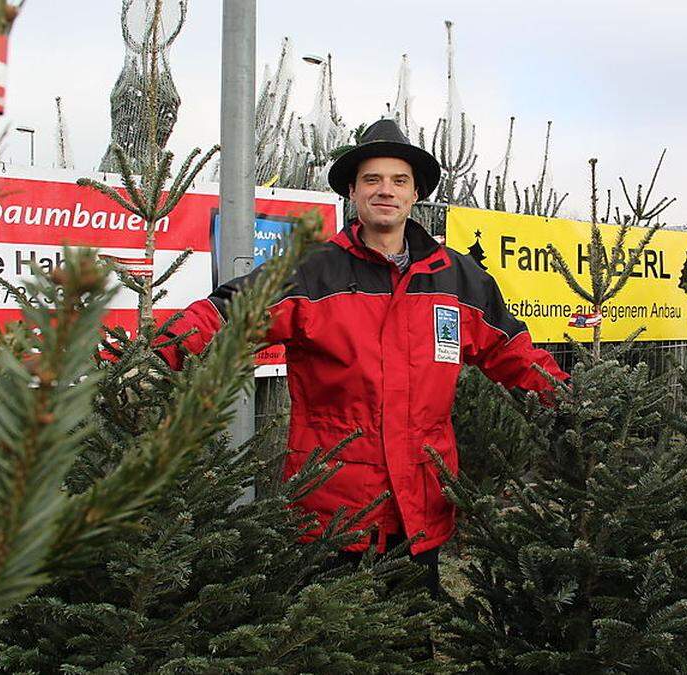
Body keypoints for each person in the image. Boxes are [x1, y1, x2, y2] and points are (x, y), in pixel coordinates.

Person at [156, 118, 567, 594]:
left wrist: (576, 405)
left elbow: (513, 354)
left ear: (416, 194)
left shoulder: (459, 278)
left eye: (399, 181)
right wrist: (157, 355)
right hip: (332, 509)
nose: (385, 191)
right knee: (329, 642)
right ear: (353, 192)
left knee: (412, 642)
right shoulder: (312, 272)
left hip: (421, 504)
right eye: (372, 179)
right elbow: (227, 312)